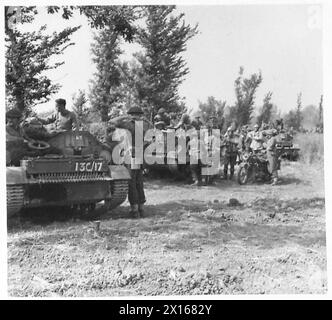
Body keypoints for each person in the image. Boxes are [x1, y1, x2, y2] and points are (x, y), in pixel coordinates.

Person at [108, 106, 147, 218]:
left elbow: (112, 121)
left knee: (132, 183)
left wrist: (126, 116)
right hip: (140, 156)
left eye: (131, 114)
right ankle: (141, 209)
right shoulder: (144, 126)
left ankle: (134, 210)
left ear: (132, 115)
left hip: (131, 156)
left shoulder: (129, 125)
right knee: (139, 182)